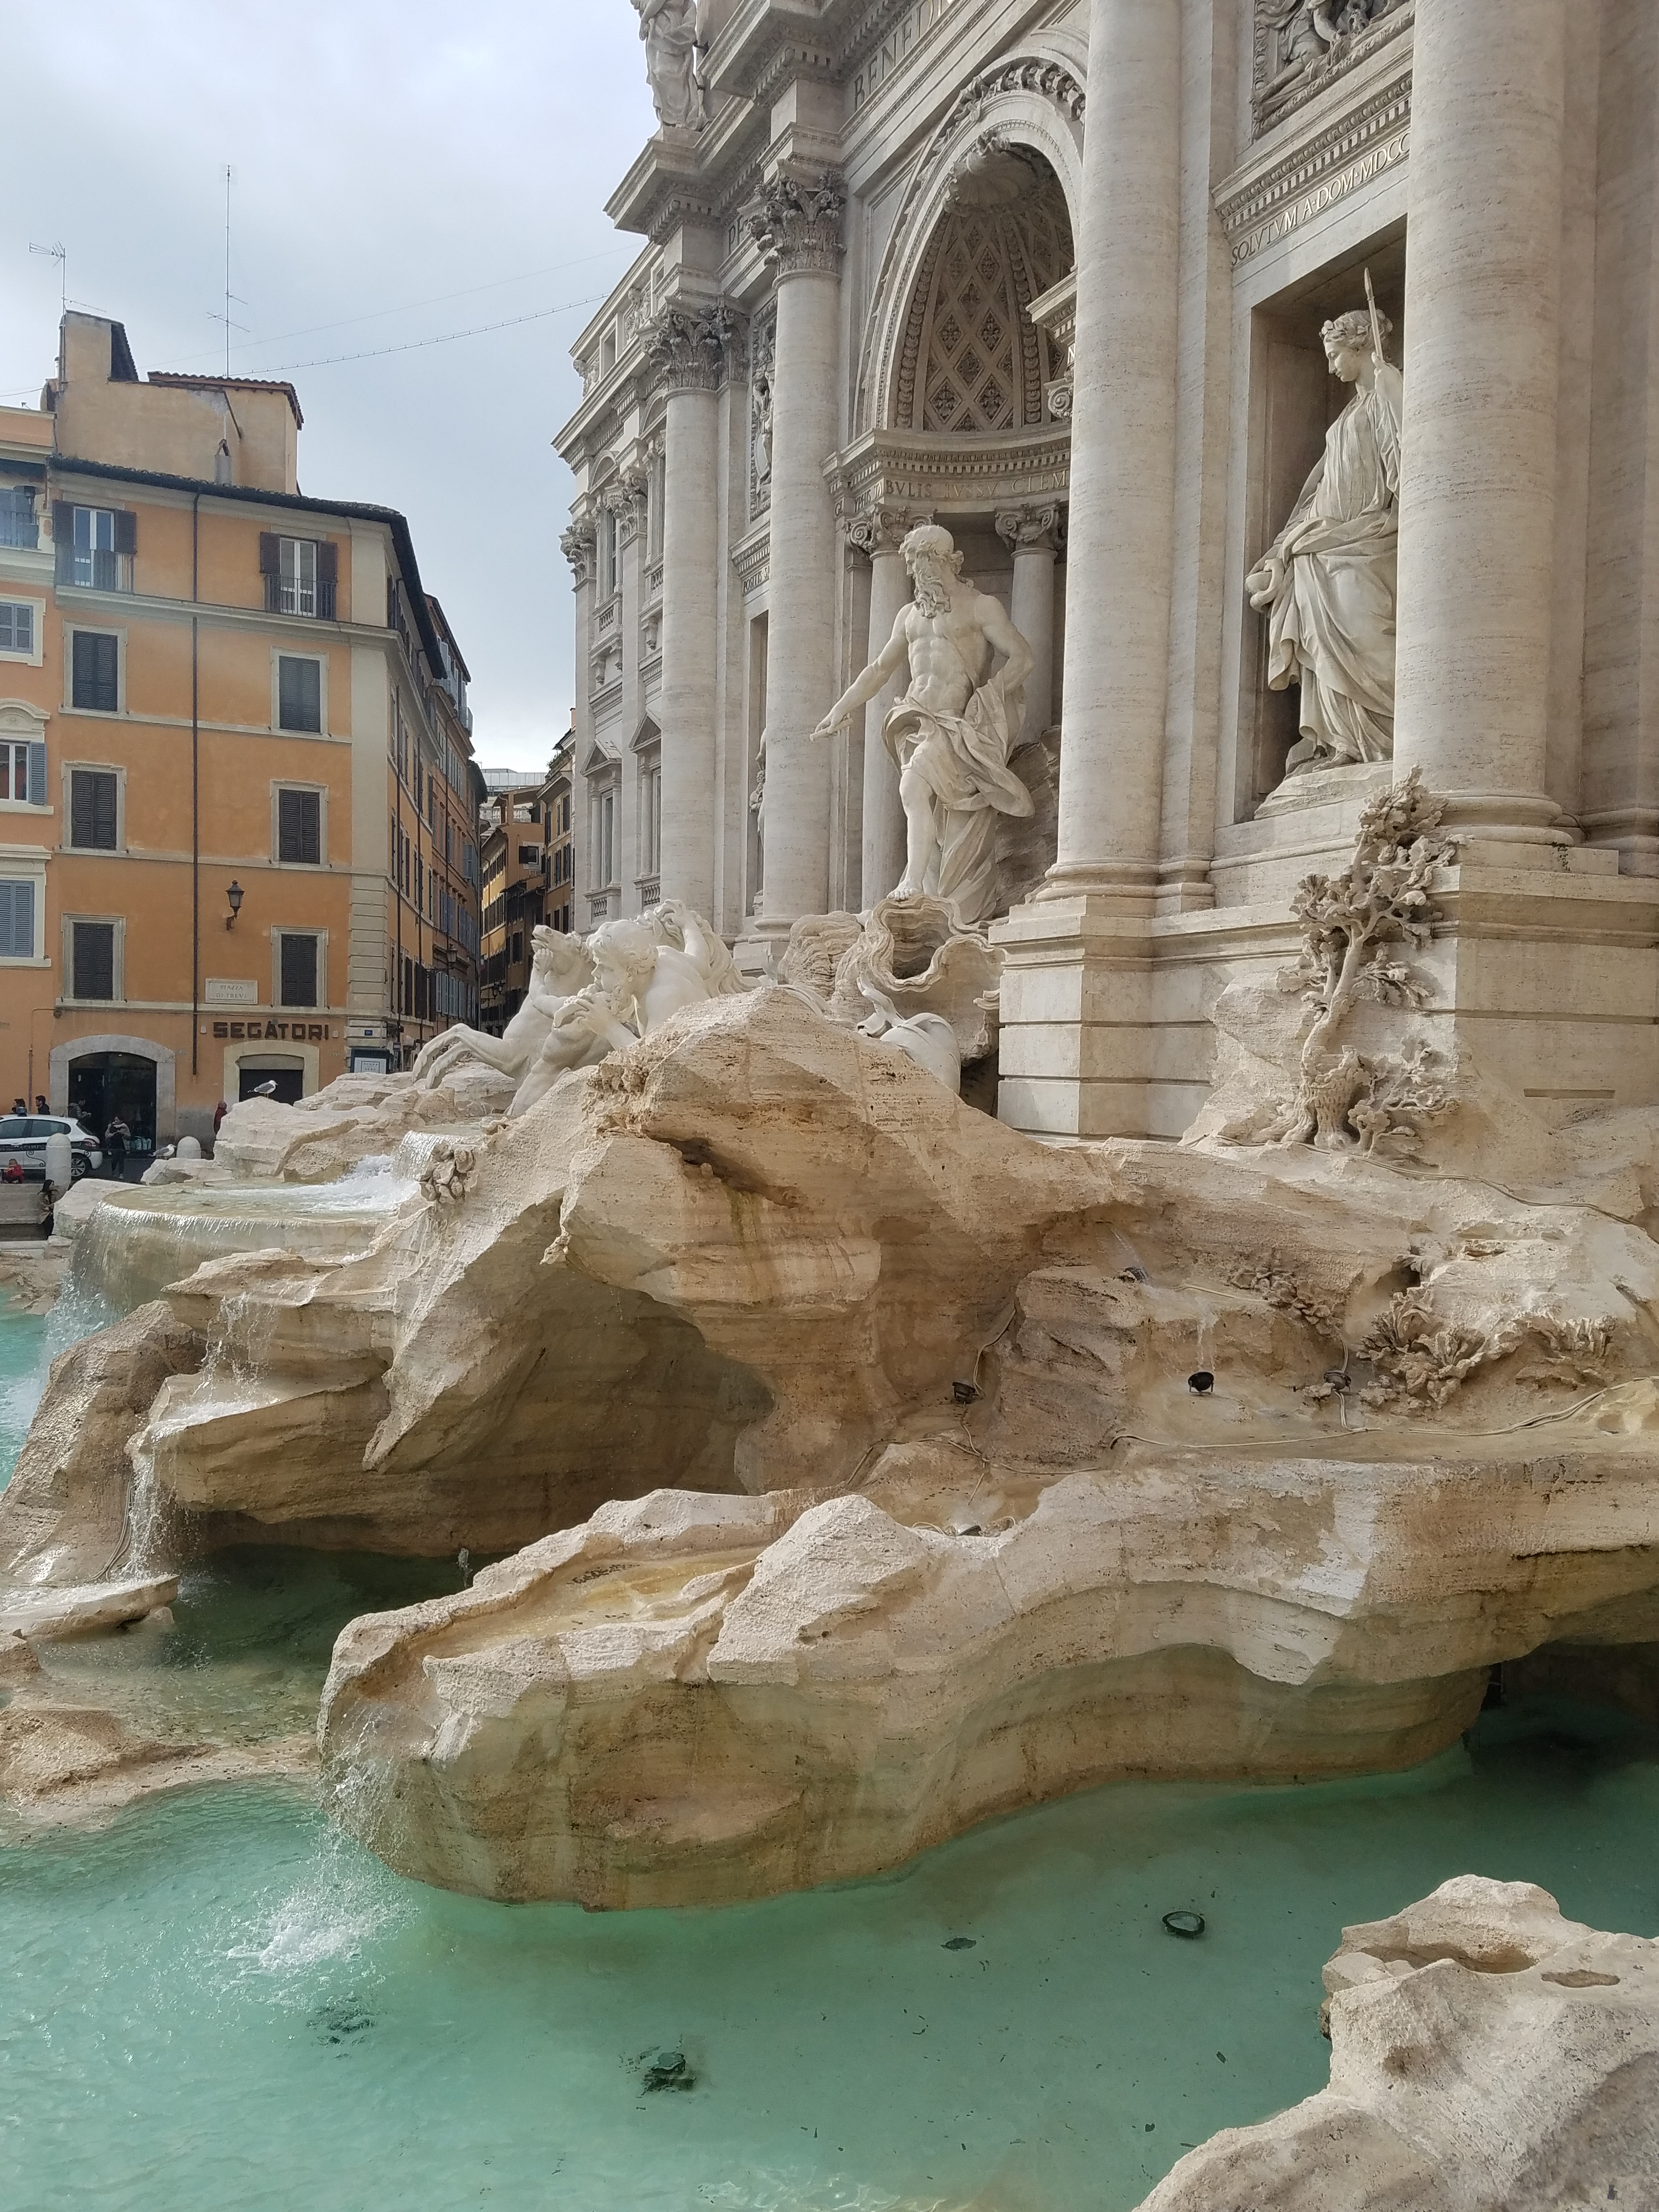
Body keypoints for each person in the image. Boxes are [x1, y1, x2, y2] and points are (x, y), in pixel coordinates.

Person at [811, 523, 1035, 926]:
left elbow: (1022, 657)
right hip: (915, 720)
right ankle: (929, 893)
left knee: (912, 788)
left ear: (939, 560)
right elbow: (880, 669)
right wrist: (841, 708)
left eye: (917, 562)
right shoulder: (909, 616)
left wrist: (988, 701)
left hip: (954, 724)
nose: (912, 572)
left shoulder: (980, 607)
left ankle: (912, 883)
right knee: (929, 809)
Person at [1246, 300, 1403, 776]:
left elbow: (1406, 461)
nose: (1331, 366)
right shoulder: (1352, 409)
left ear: (1359, 348)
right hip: (1324, 540)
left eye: (1335, 356)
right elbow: (1319, 488)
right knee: (1321, 639)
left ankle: (1389, 740)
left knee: (1365, 631)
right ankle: (1343, 744)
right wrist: (1285, 546)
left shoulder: (1386, 392)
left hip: (1367, 537)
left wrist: (1393, 387)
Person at [104, 1113, 129, 1178]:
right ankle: (113, 1172)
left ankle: (121, 1174)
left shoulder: (125, 1127)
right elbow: (106, 1135)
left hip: (122, 1146)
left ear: (121, 1120)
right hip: (113, 1145)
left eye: (117, 1120)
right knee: (114, 1160)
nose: (116, 1121)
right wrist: (112, 1135)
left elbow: (129, 1136)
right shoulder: (111, 1126)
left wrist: (123, 1134)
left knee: (121, 1160)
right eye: (115, 1120)